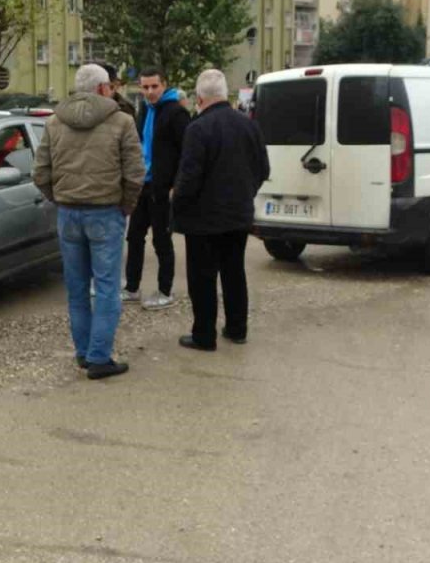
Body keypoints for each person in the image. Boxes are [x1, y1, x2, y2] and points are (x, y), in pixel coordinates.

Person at [34, 64, 145, 380]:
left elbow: (39, 173)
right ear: (101, 89)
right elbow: (135, 174)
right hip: (105, 212)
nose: (111, 89)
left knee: (77, 288)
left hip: (69, 214)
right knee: (107, 288)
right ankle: (99, 357)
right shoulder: (122, 121)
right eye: (109, 85)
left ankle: (84, 353)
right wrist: (125, 207)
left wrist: (61, 198)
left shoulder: (54, 122)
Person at [172, 69, 270, 351]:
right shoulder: (250, 126)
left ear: (199, 98)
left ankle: (204, 335)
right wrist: (245, 193)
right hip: (238, 214)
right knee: (233, 271)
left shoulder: (198, 129)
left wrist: (177, 204)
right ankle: (237, 328)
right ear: (225, 94)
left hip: (203, 219)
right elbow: (263, 169)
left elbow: (189, 178)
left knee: (202, 278)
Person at [124, 67, 190, 310]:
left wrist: (176, 185)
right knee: (134, 237)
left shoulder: (176, 113)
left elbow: (187, 152)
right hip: (145, 184)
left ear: (164, 85)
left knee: (161, 241)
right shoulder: (144, 110)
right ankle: (132, 288)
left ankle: (165, 291)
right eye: (145, 87)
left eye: (154, 86)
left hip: (163, 189)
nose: (150, 91)